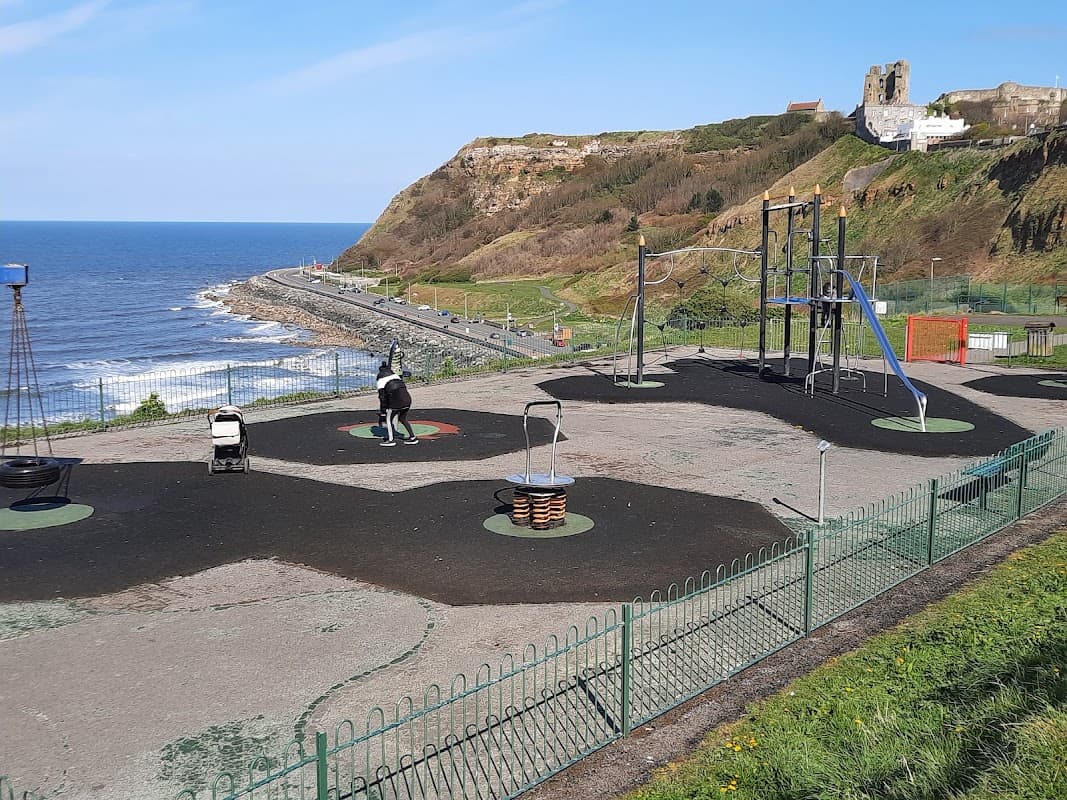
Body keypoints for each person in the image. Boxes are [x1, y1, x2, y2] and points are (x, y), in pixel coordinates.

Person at [376, 362, 418, 446]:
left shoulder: (380, 381)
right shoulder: (396, 376)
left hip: (396, 402)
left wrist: (383, 411)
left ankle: (390, 440)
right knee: (403, 419)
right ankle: (413, 437)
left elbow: (382, 398)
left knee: (388, 419)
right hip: (407, 399)